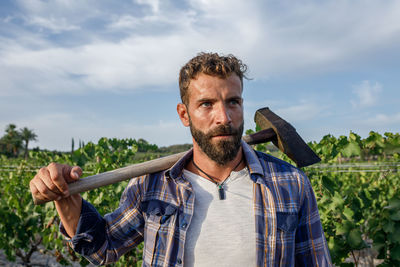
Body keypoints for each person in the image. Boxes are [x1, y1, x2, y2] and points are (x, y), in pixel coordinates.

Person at [30, 52, 332, 266]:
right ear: (184, 114)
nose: (223, 117)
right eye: (206, 104)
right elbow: (102, 249)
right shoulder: (153, 186)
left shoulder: (290, 183)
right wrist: (66, 202)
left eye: (233, 102)